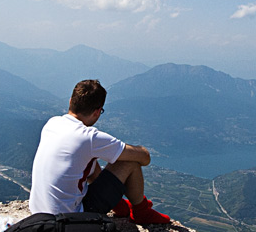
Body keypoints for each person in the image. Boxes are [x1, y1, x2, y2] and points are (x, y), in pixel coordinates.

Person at [29, 79, 171, 224]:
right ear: (97, 112)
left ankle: (119, 206)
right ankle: (142, 212)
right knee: (130, 162)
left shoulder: (52, 123)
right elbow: (144, 157)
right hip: (71, 219)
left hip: (39, 215)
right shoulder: (88, 137)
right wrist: (139, 150)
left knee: (87, 158)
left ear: (71, 101)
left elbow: (89, 169)